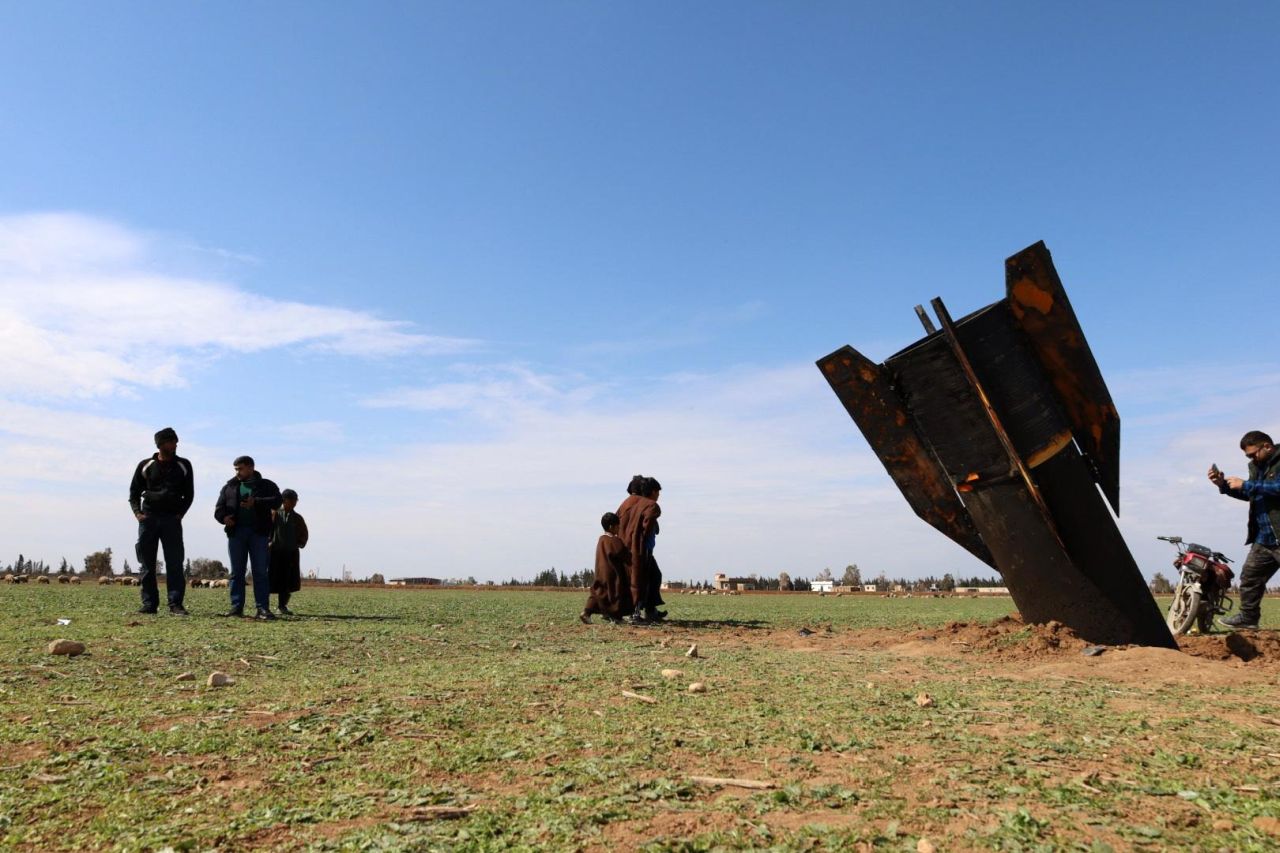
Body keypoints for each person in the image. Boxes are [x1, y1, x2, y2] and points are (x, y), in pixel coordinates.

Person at [1209, 430, 1280, 631]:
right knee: (1250, 577)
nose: (1251, 458)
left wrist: (1248, 484)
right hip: (1264, 538)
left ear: (1267, 446)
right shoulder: (1256, 467)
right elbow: (1253, 494)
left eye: (1252, 454)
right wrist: (1223, 486)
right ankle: (1248, 618)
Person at [128, 427, 194, 615]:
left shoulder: (184, 465)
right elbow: (133, 493)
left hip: (171, 520)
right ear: (160, 444)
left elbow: (189, 495)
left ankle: (175, 604)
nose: (175, 444)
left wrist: (180, 514)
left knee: (175, 563)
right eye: (171, 441)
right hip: (148, 519)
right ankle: (149, 604)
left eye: (175, 441)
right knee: (147, 564)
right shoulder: (145, 465)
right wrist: (138, 514)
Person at [213, 456, 282, 620]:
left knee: (260, 572)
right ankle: (236, 608)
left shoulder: (267, 485)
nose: (238, 472)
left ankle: (262, 609)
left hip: (259, 533)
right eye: (236, 469)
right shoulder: (229, 487)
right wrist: (224, 518)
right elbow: (218, 509)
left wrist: (256, 502)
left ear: (251, 467)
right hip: (236, 534)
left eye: (240, 468)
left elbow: (277, 501)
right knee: (237, 572)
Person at [617, 475, 665, 624]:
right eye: (657, 492)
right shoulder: (649, 505)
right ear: (652, 491)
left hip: (633, 546)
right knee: (640, 579)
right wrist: (642, 539)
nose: (658, 495)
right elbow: (647, 524)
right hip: (641, 549)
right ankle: (636, 612)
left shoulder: (630, 504)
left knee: (652, 576)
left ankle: (650, 610)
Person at [581, 512, 631, 623]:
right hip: (613, 573)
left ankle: (586, 612)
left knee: (598, 593)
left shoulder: (601, 539)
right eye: (618, 526)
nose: (619, 528)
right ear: (611, 527)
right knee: (616, 594)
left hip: (600, 571)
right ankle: (616, 616)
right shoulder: (614, 540)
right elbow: (625, 555)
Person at [269, 489, 309, 615]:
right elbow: (265, 529)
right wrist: (268, 542)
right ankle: (264, 606)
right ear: (284, 500)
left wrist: (299, 543)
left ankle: (282, 606)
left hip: (290, 554)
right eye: (292, 500)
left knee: (287, 581)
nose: (294, 503)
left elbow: (304, 533)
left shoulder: (297, 518)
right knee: (270, 578)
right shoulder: (273, 514)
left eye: (295, 501)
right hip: (274, 553)